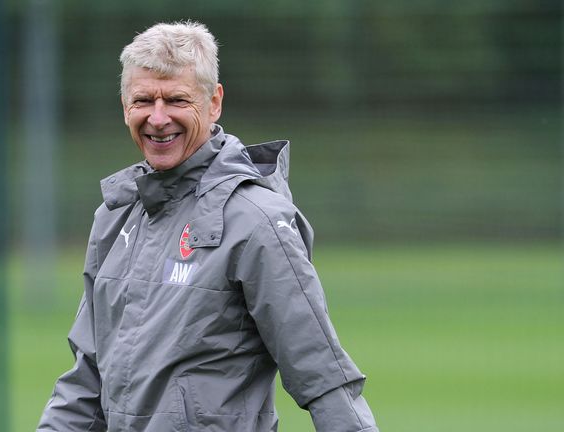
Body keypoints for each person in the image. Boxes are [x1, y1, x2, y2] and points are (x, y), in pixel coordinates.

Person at [37, 21, 378, 432]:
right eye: (143, 100)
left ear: (213, 102)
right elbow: (86, 381)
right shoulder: (116, 216)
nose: (158, 118)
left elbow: (323, 377)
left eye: (177, 100)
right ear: (125, 106)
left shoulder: (256, 221)